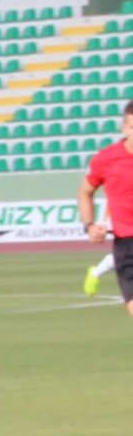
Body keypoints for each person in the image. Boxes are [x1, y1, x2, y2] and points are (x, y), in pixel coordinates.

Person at [78, 101, 133, 314]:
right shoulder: (106, 159)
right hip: (127, 246)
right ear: (124, 128)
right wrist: (90, 226)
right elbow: (84, 192)